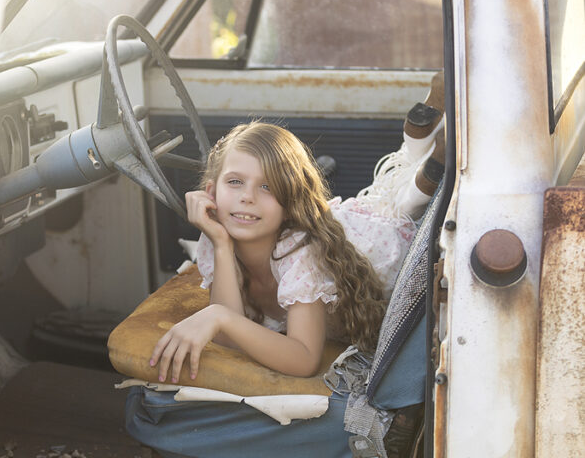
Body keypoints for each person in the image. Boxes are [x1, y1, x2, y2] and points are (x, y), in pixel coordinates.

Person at [149, 120, 424, 385]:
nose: (247, 196)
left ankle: (424, 162)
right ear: (211, 192)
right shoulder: (216, 235)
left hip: (394, 252)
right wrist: (221, 244)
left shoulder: (301, 253)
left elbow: (304, 360)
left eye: (267, 186)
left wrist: (216, 315)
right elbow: (228, 336)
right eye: (234, 182)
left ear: (290, 201)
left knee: (408, 201)